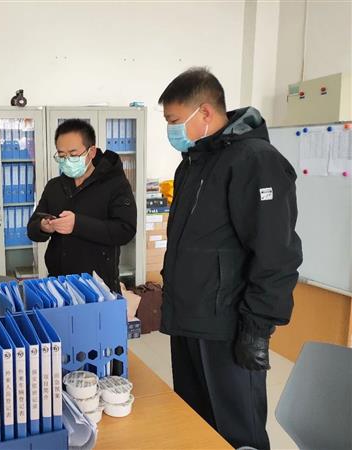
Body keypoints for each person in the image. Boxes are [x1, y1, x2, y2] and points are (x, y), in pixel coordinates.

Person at [157, 67, 303, 449]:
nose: (170, 129)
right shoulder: (193, 162)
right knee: (194, 424)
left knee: (238, 433)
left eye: (173, 120)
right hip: (189, 318)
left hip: (229, 326)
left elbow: (276, 254)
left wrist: (257, 328)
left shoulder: (256, 161)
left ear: (205, 112)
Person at [27, 119, 136, 292]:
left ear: (91, 152)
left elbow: (125, 231)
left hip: (98, 285)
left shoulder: (115, 185)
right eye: (62, 155)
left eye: (73, 154)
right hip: (59, 282)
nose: (67, 160)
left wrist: (77, 224)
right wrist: (43, 226)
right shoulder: (54, 186)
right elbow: (32, 229)